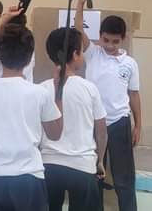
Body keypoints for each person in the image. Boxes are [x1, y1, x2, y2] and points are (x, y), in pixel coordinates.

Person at [0, 10, 63, 211]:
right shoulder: (40, 93)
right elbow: (55, 134)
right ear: (30, 58)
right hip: (29, 178)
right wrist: (58, 92)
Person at [75, 0, 141, 211]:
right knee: (94, 172)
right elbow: (78, 28)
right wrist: (80, 2)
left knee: (124, 177)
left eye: (115, 41)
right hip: (93, 122)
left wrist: (138, 125)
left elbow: (134, 95)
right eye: (106, 40)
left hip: (119, 122)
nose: (110, 45)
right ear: (99, 37)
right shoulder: (92, 53)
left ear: (123, 38)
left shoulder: (130, 63)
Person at [41, 27, 108, 211]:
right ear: (75, 54)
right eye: (82, 51)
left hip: (48, 165)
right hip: (83, 167)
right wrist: (100, 160)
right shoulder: (89, 88)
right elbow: (101, 131)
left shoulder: (41, 89)